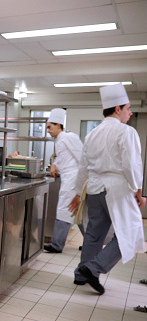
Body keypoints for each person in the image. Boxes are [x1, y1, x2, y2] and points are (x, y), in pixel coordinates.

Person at [69, 83, 145, 295]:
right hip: (117, 188)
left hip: (94, 188)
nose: (130, 113)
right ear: (118, 109)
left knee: (94, 233)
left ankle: (80, 274)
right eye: (128, 108)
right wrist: (138, 190)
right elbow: (132, 164)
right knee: (129, 231)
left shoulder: (93, 133)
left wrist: (77, 192)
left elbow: (83, 167)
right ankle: (93, 269)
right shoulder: (126, 132)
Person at [43, 108, 84, 254]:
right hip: (68, 178)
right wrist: (55, 164)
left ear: (59, 125)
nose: (48, 130)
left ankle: (56, 245)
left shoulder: (69, 137)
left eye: (50, 127)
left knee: (65, 210)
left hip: (73, 178)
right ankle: (92, 243)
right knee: (77, 213)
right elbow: (62, 156)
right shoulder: (60, 140)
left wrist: (82, 182)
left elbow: (82, 158)